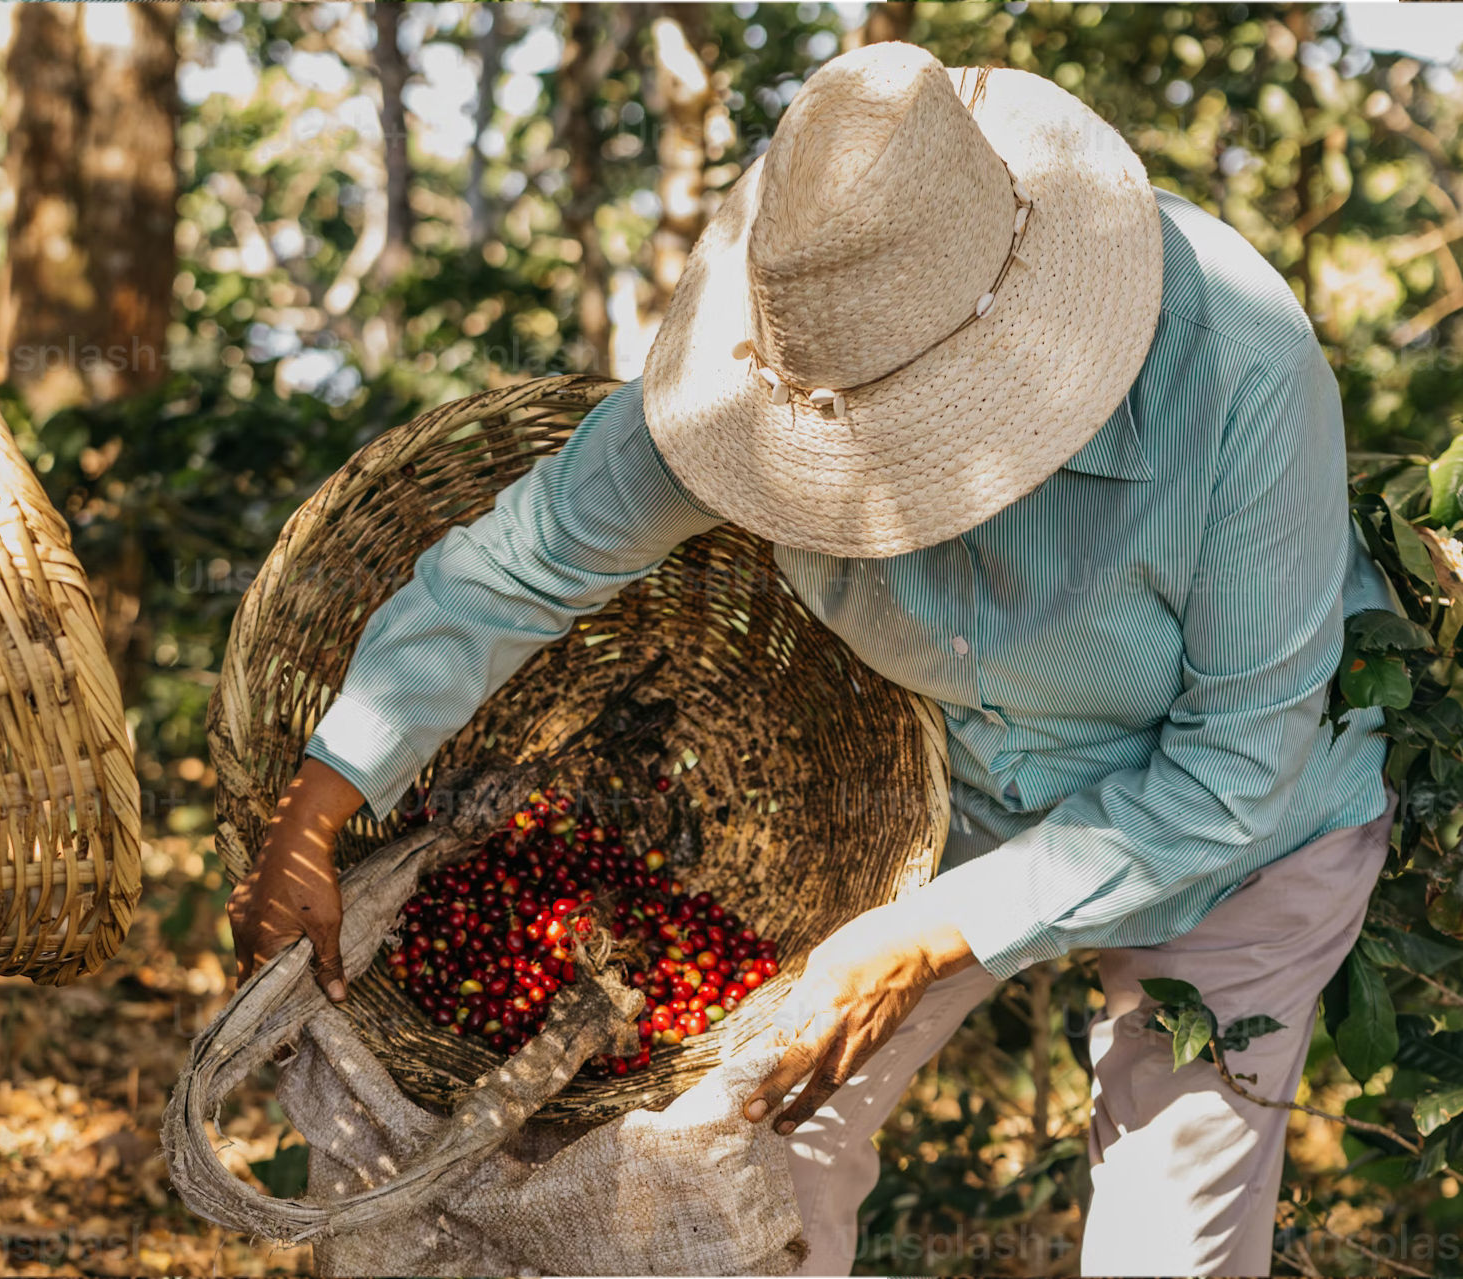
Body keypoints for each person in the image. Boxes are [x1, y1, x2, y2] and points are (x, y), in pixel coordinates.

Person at [227, 42, 1398, 1277]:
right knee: (755, 1157)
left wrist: (936, 936)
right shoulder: (760, 369)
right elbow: (522, 561)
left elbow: (1238, 768)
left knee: (1173, 1243)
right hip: (957, 805)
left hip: (1251, 845)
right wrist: (321, 805)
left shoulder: (1240, 362)